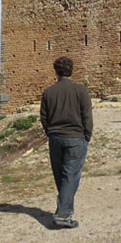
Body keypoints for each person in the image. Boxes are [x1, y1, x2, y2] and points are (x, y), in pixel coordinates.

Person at [40, 56, 93, 228]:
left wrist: (50, 133)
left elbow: (44, 117)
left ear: (55, 72)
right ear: (72, 71)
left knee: (61, 177)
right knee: (70, 177)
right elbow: (87, 116)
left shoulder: (48, 92)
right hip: (75, 139)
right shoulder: (81, 90)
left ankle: (65, 212)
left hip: (55, 139)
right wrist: (87, 136)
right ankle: (63, 215)